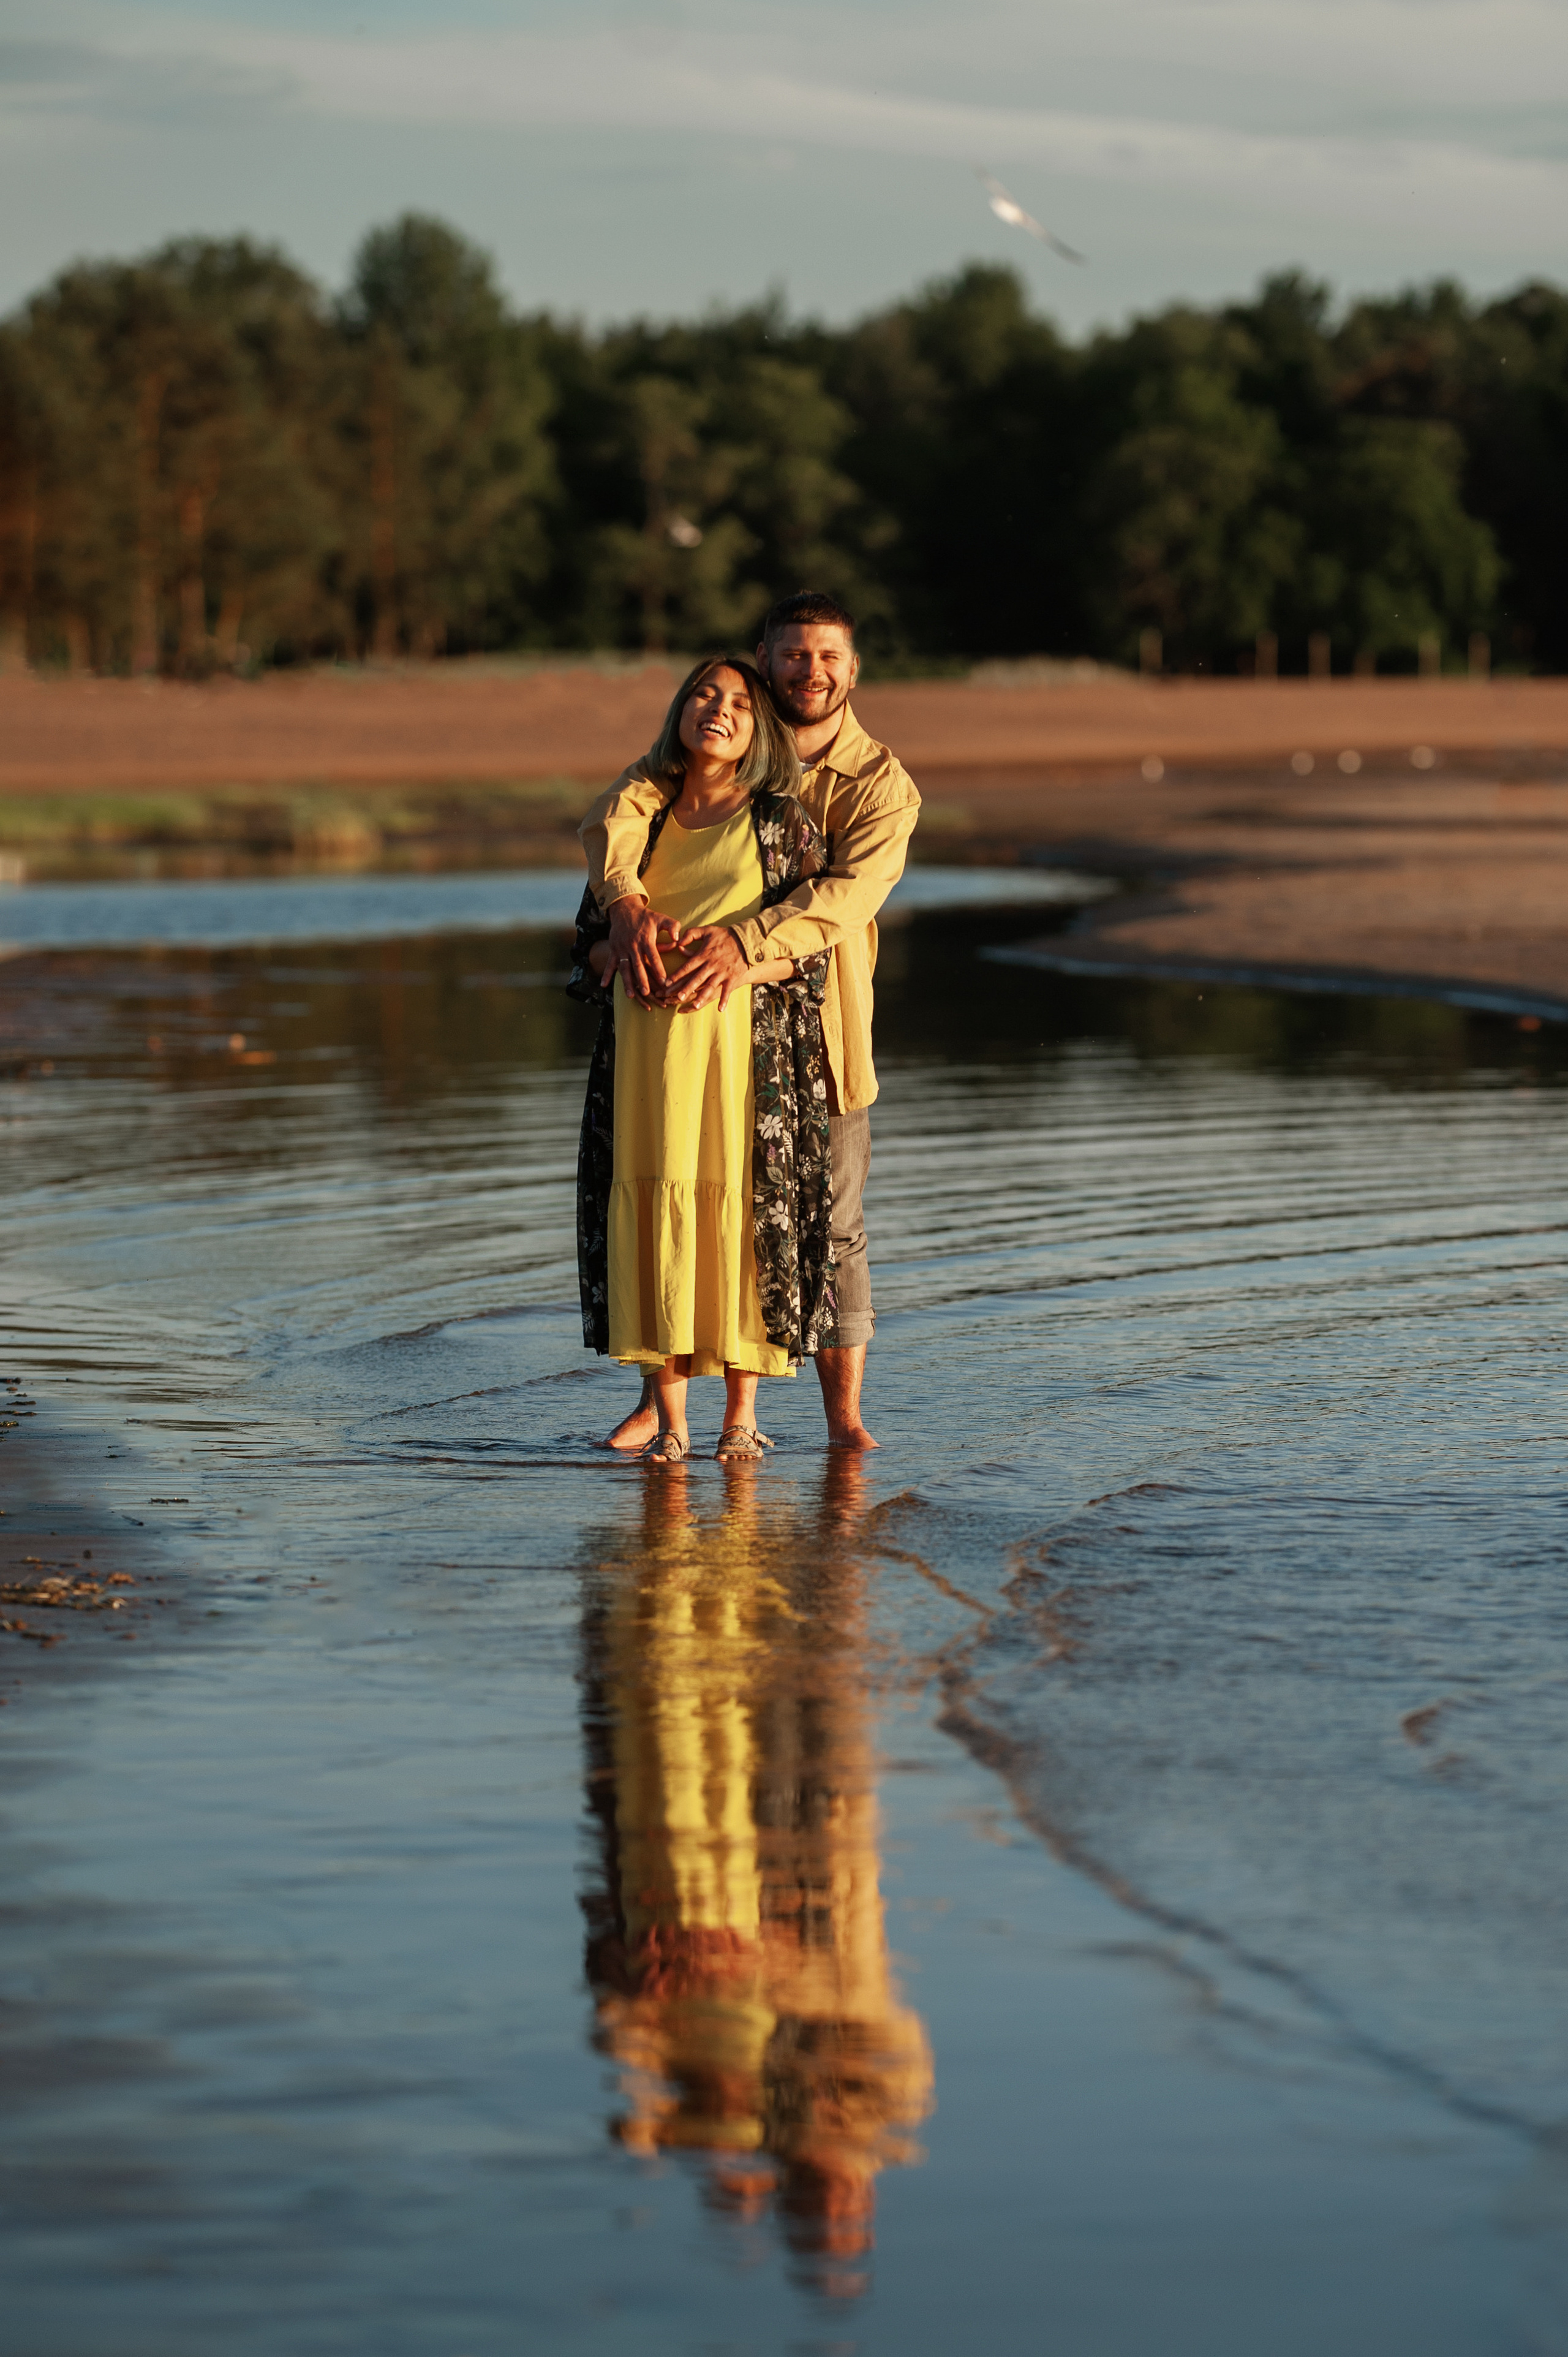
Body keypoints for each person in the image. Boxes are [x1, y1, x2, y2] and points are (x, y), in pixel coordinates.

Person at [579, 591, 919, 1453]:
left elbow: (845, 899)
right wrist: (621, 905)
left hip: (823, 1033)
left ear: (854, 668)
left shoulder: (880, 784)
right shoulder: (702, 747)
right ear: (764, 657)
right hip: (684, 1033)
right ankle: (663, 1404)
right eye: (795, 654)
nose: (812, 671)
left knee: (828, 1225)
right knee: (667, 1196)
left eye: (830, 656)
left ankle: (842, 1424)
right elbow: (615, 821)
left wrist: (742, 945)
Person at [568, 655, 837, 1464]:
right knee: (656, 1217)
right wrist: (622, 949)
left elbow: (811, 952)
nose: (716, 711)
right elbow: (585, 951)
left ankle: (740, 1419)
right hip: (648, 1064)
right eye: (702, 696)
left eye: (738, 705)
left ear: (759, 733)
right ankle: (674, 1425)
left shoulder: (782, 822)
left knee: (739, 1215)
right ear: (679, 711)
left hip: (739, 1059)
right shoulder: (637, 824)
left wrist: (724, 959)